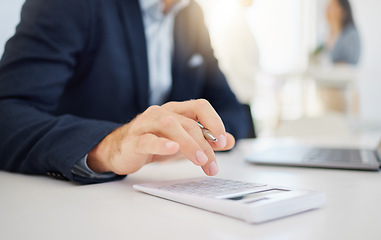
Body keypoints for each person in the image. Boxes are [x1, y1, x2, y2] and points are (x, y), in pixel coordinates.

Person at [0, 0, 252, 184]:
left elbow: (230, 110)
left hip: (161, 196)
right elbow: (6, 116)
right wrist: (109, 146)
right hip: (72, 204)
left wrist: (190, 138)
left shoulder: (191, 14)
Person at [313, 0, 361, 65]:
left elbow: (348, 64)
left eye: (331, 6)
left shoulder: (350, 35)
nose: (327, 10)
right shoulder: (325, 36)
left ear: (342, 10)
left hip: (343, 75)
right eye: (327, 7)